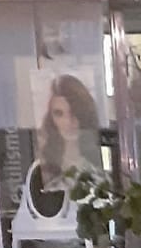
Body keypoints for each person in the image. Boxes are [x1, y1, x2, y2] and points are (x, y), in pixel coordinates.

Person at [28, 75, 101, 217]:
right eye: (59, 114)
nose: (69, 122)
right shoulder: (41, 170)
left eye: (73, 112)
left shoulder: (97, 171)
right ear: (51, 119)